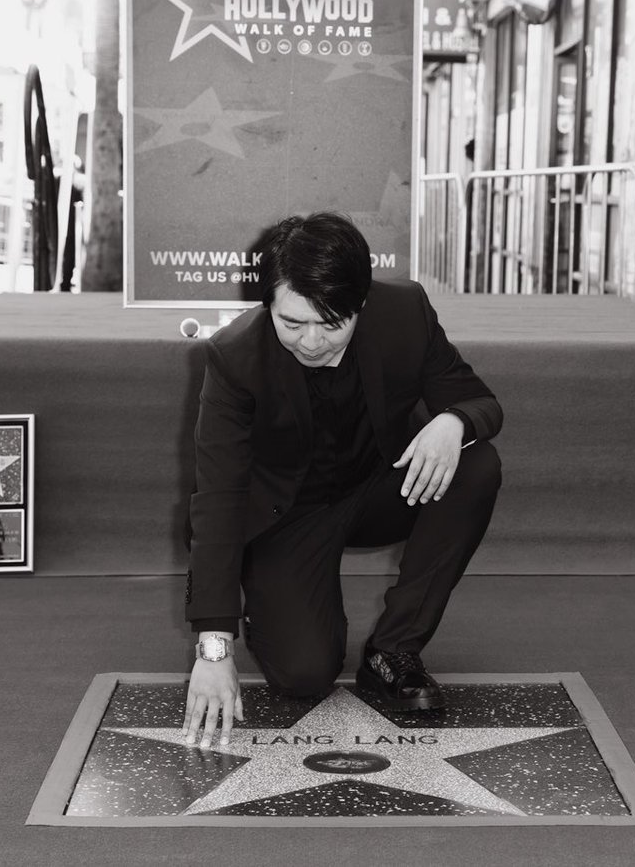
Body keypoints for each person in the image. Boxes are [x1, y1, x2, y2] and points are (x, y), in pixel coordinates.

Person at [181, 212, 503, 749]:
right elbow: (217, 496)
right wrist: (214, 648)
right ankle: (270, 595)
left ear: (361, 304)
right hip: (287, 515)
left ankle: (393, 650)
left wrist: (454, 421)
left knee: (474, 463)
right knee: (304, 674)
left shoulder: (405, 312)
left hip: (379, 487)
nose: (310, 342)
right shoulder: (235, 357)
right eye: (292, 323)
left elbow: (480, 402)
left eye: (331, 323)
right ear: (269, 305)